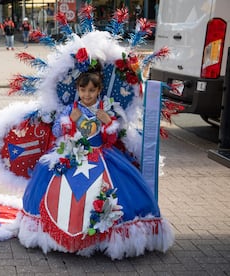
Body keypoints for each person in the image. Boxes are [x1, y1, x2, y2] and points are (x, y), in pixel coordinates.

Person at [19, 62, 172, 256]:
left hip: (102, 155)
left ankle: (101, 238)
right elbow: (57, 131)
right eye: (83, 90)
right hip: (72, 154)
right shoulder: (70, 109)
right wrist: (70, 120)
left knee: (111, 190)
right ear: (77, 89)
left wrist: (108, 122)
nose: (87, 94)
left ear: (99, 90)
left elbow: (112, 138)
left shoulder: (105, 109)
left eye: (91, 90)